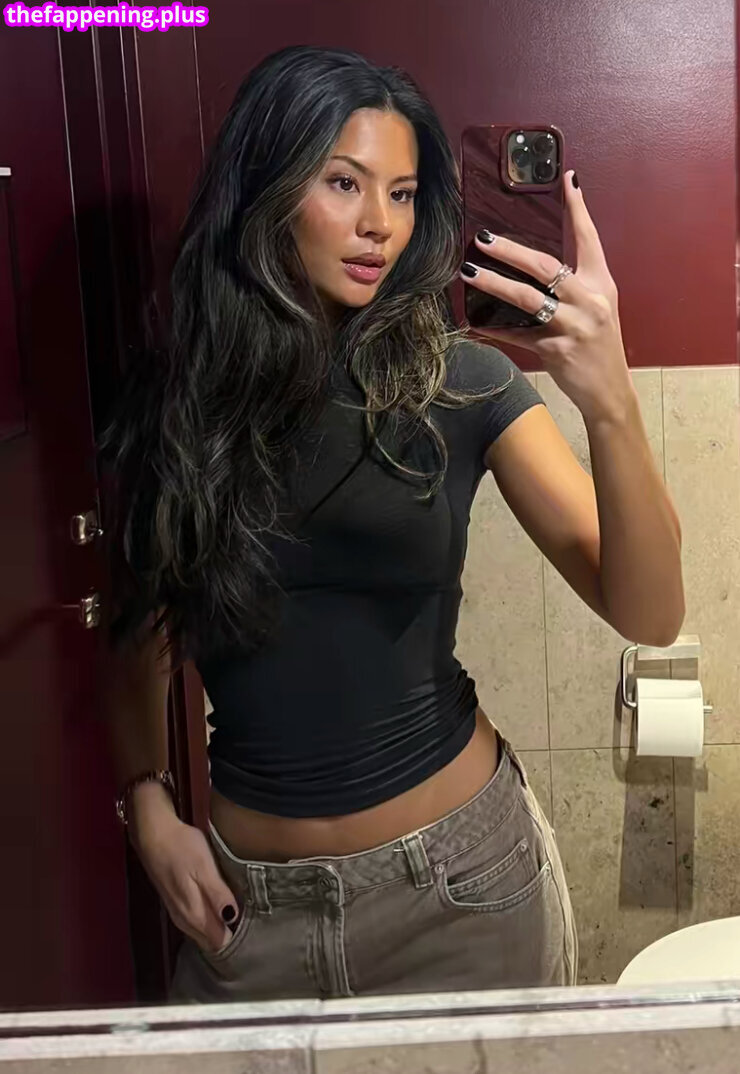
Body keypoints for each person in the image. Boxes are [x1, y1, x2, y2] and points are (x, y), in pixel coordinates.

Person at [99, 44, 684, 1003]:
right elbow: (140, 631)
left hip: (460, 893)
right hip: (250, 914)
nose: (380, 223)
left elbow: (650, 612)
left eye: (403, 194)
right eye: (344, 183)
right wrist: (149, 805)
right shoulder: (180, 404)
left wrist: (611, 400)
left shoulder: (461, 380)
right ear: (265, 188)